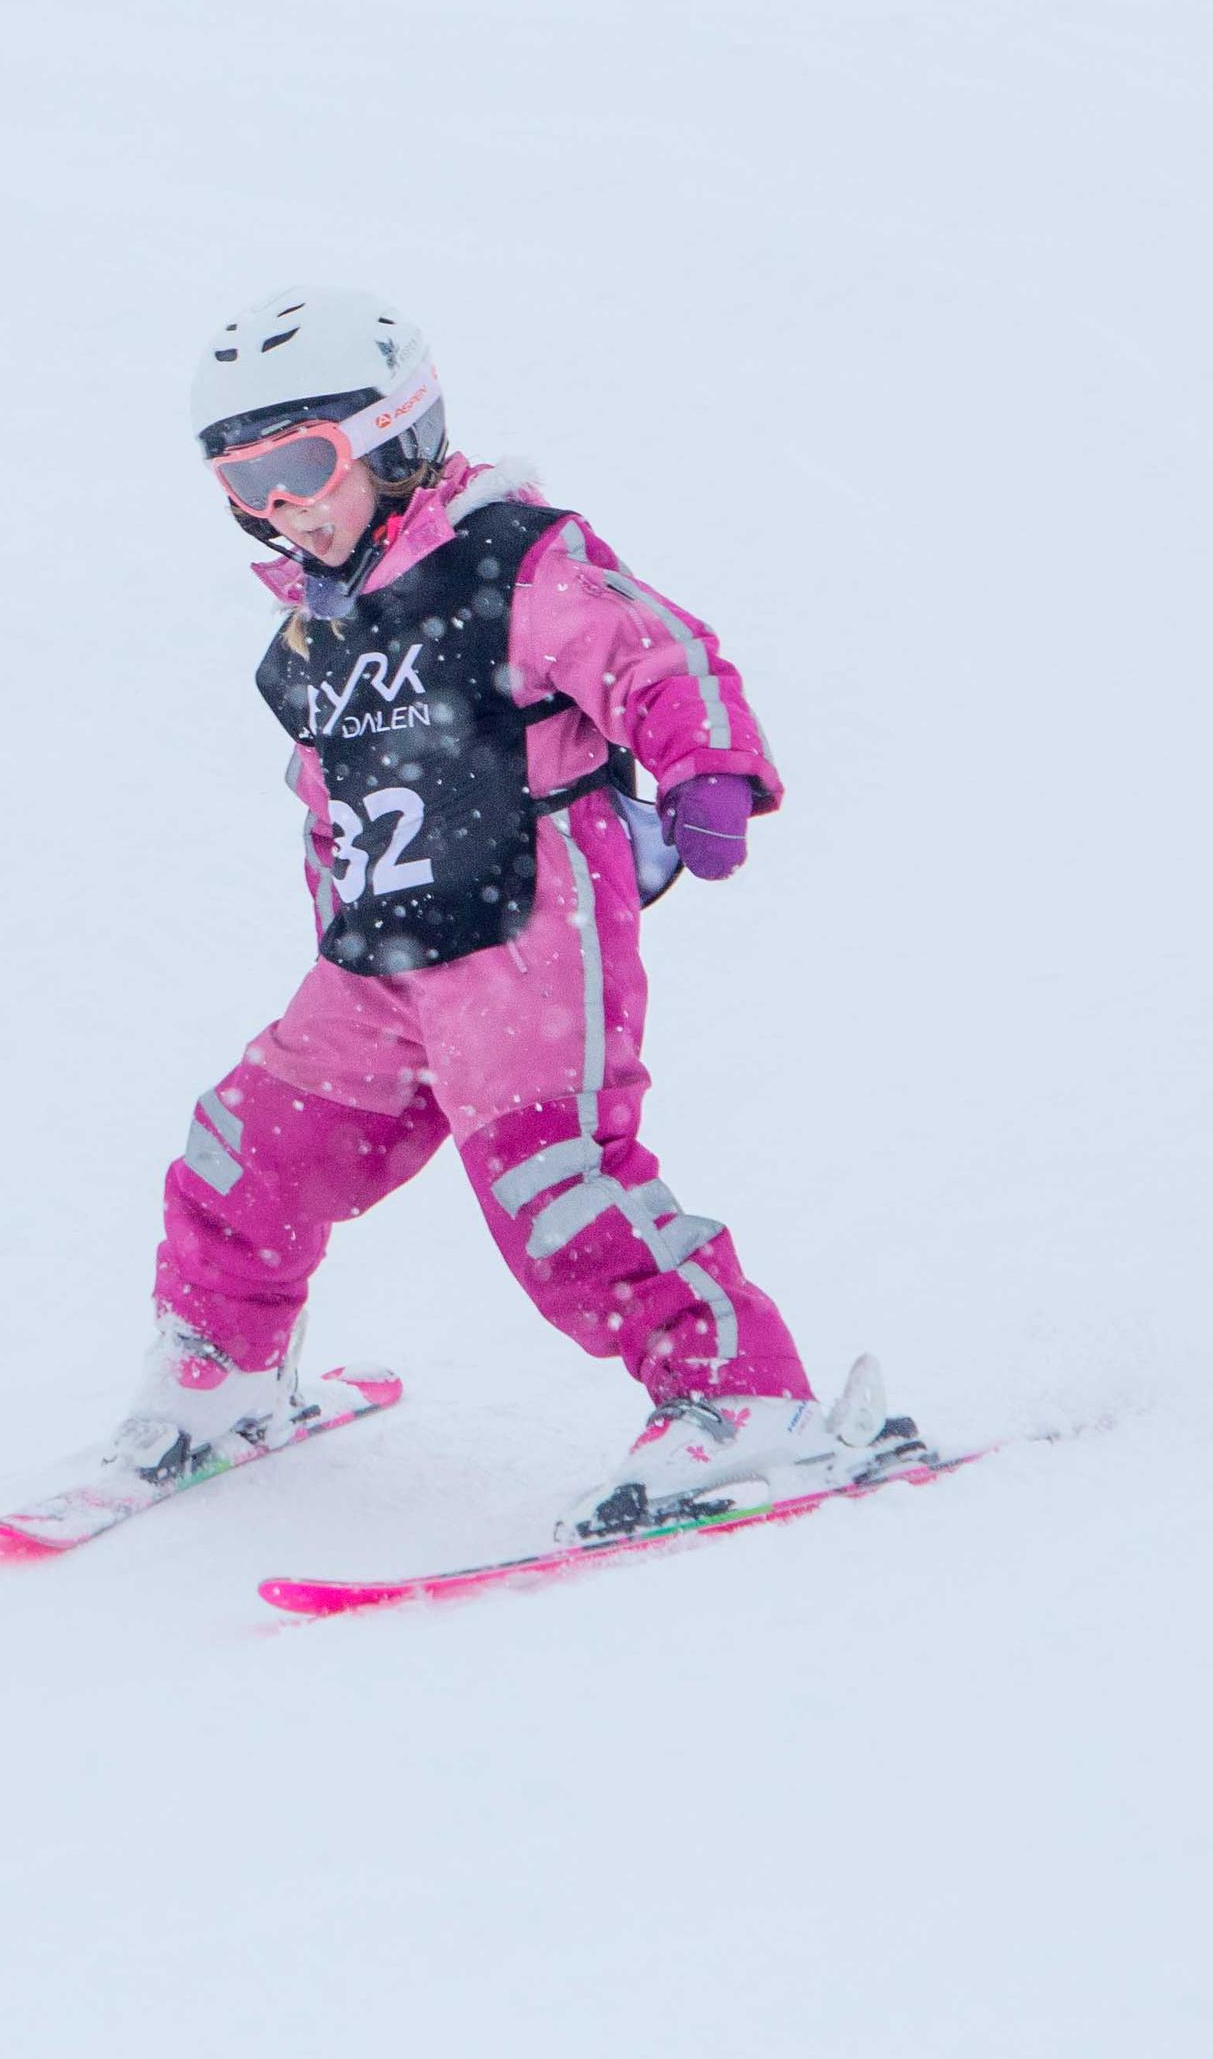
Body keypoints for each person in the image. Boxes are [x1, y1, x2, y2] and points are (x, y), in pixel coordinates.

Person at [116, 284, 900, 1542]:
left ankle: (739, 1395)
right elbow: (333, 801)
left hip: (526, 943)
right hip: (378, 963)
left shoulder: (514, 562)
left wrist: (702, 765)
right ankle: (223, 1372)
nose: (280, 508)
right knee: (246, 1147)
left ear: (396, 431)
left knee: (556, 1187)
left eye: (300, 464)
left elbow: (660, 652)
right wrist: (336, 917)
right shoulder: (312, 631)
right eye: (242, 482)